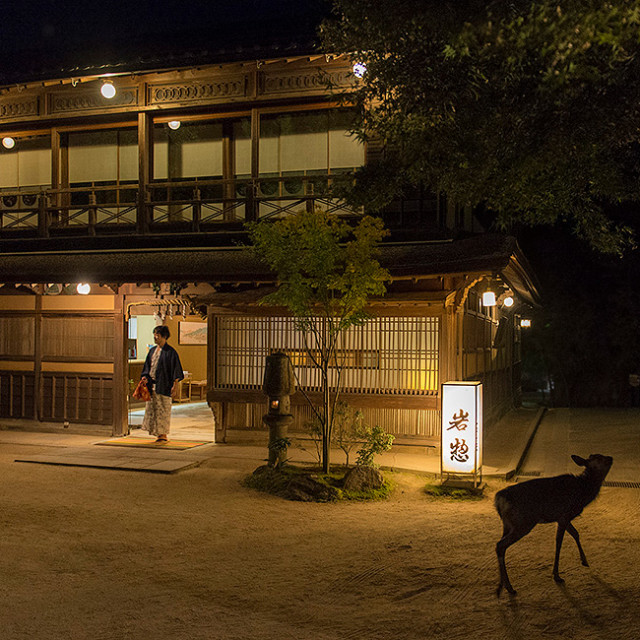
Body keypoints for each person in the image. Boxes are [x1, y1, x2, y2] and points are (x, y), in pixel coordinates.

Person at [140, 325, 184, 443]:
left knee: (163, 409)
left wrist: (175, 385)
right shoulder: (152, 351)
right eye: (154, 335)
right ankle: (156, 432)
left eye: (157, 335)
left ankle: (163, 434)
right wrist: (145, 377)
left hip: (164, 385)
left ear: (164, 336)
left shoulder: (171, 352)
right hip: (152, 384)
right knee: (153, 409)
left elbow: (176, 370)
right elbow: (147, 367)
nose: (155, 338)